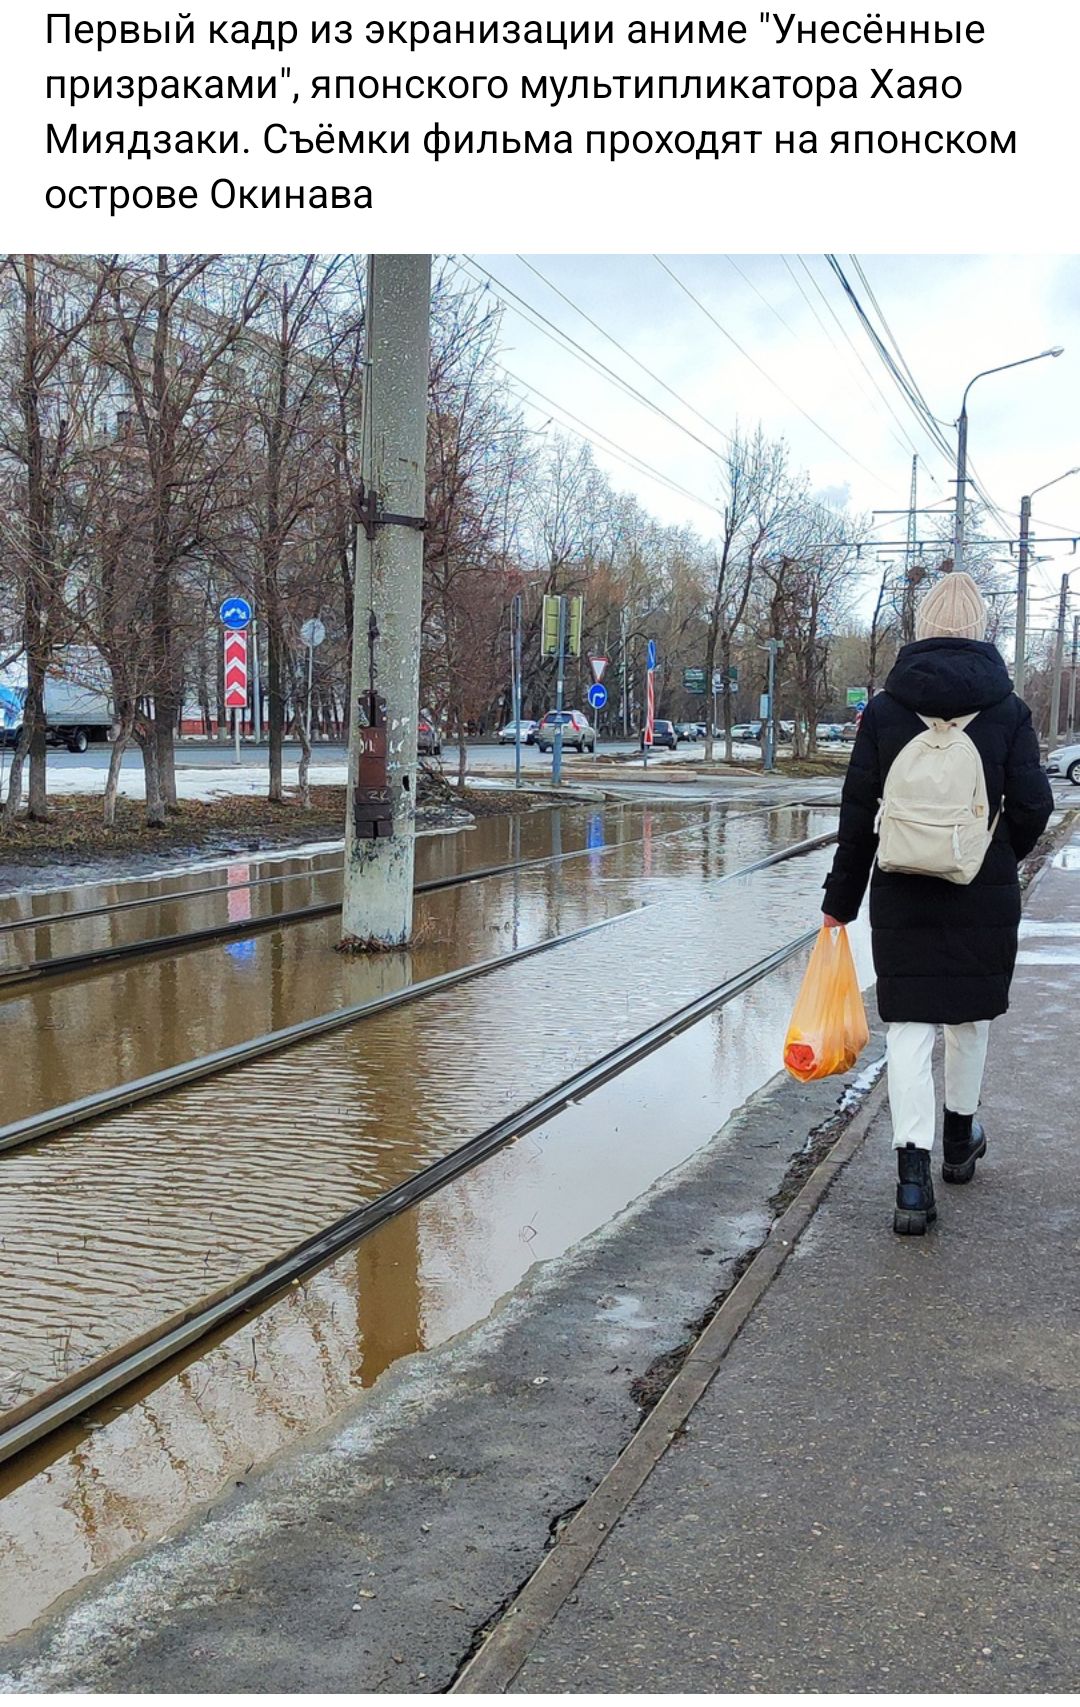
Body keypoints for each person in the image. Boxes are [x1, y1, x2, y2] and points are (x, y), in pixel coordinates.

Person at [822, 571, 1053, 1234]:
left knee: (912, 1029)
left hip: (901, 889)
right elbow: (1035, 803)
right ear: (980, 625)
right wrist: (995, 850)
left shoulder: (888, 709)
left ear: (921, 625)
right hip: (981, 887)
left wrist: (840, 900)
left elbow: (858, 809)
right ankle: (960, 1140)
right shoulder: (1007, 710)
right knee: (969, 1019)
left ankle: (912, 1185)